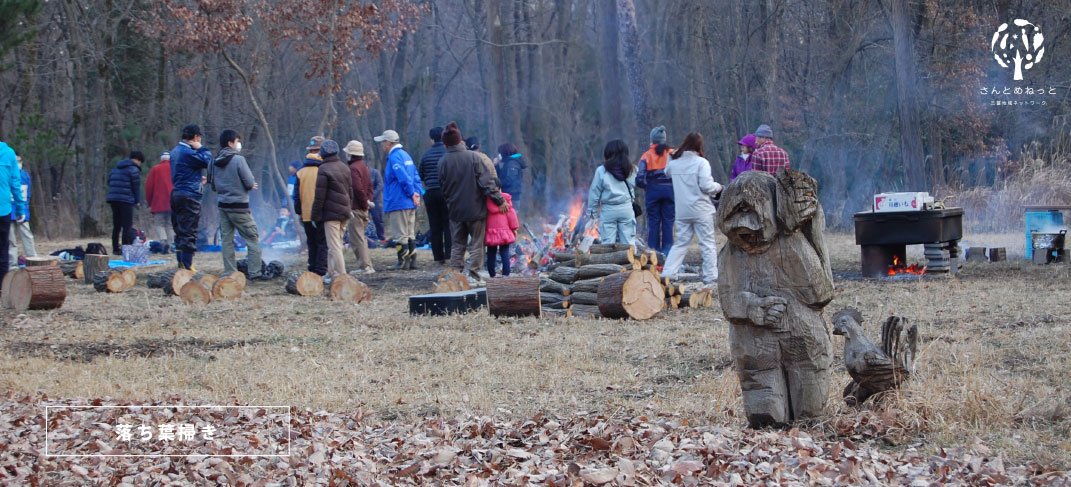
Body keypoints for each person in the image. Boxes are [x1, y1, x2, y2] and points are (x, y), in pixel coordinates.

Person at [438, 122, 507, 280]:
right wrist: (499, 200)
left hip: (455, 210)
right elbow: (487, 183)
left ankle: (455, 277)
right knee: (476, 245)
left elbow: (443, 188)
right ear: (460, 140)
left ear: (446, 143)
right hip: (475, 209)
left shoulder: (442, 162)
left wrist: (450, 203)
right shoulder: (474, 157)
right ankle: (475, 276)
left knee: (457, 244)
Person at [661, 133, 723, 285]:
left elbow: (666, 172)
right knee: (707, 243)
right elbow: (707, 186)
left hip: (682, 211)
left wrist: (672, 155)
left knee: (681, 243)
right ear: (699, 146)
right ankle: (710, 276)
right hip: (701, 209)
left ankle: (668, 273)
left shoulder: (674, 163)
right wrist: (719, 187)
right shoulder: (701, 163)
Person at [210, 129, 266, 280]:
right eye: (237, 141)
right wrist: (250, 184)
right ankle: (255, 273)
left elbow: (213, 185)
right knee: (252, 238)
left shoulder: (214, 161)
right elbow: (248, 182)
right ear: (230, 143)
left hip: (223, 206)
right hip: (239, 207)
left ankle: (230, 272)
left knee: (227, 241)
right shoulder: (238, 160)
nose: (238, 144)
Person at [375, 129, 423, 270]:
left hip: (399, 200)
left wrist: (410, 193)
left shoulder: (394, 157)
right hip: (410, 201)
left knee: (399, 233)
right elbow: (415, 177)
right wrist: (416, 194)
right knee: (409, 232)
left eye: (383, 142)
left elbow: (403, 178)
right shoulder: (406, 155)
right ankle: (412, 261)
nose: (382, 145)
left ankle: (402, 262)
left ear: (388, 143)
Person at [170, 124, 213, 270]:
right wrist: (201, 148)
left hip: (177, 193)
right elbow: (209, 162)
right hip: (189, 196)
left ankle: (181, 264)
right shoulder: (188, 152)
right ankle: (187, 266)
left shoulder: (175, 151)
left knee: (180, 231)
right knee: (189, 231)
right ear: (195, 137)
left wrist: (195, 178)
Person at [312, 140, 353, 278]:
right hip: (344, 212)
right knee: (334, 244)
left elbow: (319, 196)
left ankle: (342, 276)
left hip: (331, 214)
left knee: (334, 246)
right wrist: (349, 208)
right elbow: (350, 191)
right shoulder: (344, 167)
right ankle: (330, 273)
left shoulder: (323, 169)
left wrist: (315, 216)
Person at [587, 140, 637, 245]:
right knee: (629, 243)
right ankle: (631, 261)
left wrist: (593, 214)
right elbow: (634, 186)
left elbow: (594, 194)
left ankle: (609, 261)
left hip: (608, 210)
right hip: (626, 208)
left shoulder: (601, 171)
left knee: (607, 244)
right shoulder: (632, 169)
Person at [636, 126, 674, 255]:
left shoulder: (646, 156)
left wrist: (646, 187)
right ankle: (667, 253)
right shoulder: (673, 154)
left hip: (653, 192)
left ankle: (653, 253)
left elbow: (639, 178)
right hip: (670, 192)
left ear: (652, 140)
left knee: (653, 223)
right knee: (668, 222)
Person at [293, 136, 328, 275]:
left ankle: (312, 267)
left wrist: (299, 211)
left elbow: (296, 195)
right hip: (321, 212)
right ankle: (321, 270)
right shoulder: (324, 169)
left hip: (306, 213)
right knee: (322, 243)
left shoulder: (300, 171)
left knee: (311, 242)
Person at [418, 127, 450, 264]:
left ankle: (438, 257)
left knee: (435, 226)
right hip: (446, 192)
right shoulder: (447, 152)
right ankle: (449, 254)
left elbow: (420, 175)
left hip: (430, 193)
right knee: (448, 224)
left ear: (431, 139)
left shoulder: (426, 154)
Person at [344, 140, 375, 273]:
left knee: (357, 239)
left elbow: (357, 188)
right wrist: (368, 203)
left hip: (357, 207)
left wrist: (362, 204)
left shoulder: (353, 168)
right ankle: (366, 265)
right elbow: (369, 187)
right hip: (363, 206)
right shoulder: (364, 166)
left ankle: (365, 266)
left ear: (350, 154)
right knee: (360, 237)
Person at [106, 151, 144, 255]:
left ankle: (115, 248)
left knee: (116, 225)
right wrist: (137, 201)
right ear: (137, 159)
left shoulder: (117, 167)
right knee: (127, 226)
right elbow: (136, 187)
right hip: (126, 200)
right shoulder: (134, 169)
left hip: (113, 198)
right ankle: (125, 248)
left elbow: (109, 180)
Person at [0, 140, 26, 291]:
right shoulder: (8, 153)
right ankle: (2, 287)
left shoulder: (9, 153)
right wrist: (20, 208)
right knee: (3, 250)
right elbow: (15, 183)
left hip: (3, 208)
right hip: (3, 208)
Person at [485, 183, 518, 278]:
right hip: (504, 232)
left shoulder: (487, 201)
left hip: (491, 232)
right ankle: (506, 274)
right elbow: (512, 216)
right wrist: (514, 228)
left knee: (491, 253)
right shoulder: (506, 201)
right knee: (505, 252)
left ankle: (492, 274)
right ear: (500, 188)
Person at [9, 155, 36, 268]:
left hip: (22, 211)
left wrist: (25, 210)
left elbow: (27, 195)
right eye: (16, 161)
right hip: (9, 211)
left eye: (19, 161)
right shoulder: (6, 175)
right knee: (10, 239)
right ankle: (12, 263)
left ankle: (33, 259)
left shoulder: (25, 175)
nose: (18, 163)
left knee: (27, 235)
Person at [145, 151, 174, 252]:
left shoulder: (155, 169)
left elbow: (148, 187)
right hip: (173, 201)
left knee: (159, 224)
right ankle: (170, 246)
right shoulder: (175, 168)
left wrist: (150, 202)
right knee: (170, 225)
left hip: (158, 202)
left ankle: (163, 241)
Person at [495, 143, 525, 212]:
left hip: (511, 197)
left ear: (505, 152)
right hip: (509, 196)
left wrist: (496, 183)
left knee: (511, 219)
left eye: (500, 153)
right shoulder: (509, 163)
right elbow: (502, 176)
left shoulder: (512, 164)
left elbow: (509, 180)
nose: (499, 155)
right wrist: (496, 166)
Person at [368, 161, 385, 242]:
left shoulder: (375, 173)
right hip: (364, 200)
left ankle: (381, 238)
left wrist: (372, 196)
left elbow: (380, 185)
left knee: (378, 219)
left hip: (376, 201)